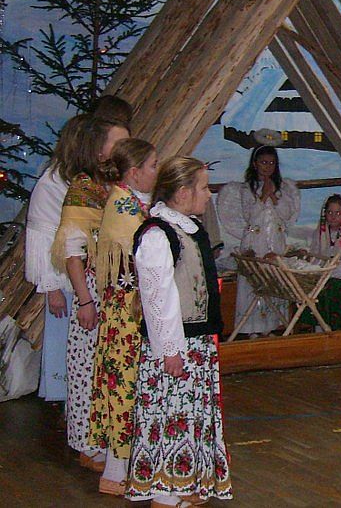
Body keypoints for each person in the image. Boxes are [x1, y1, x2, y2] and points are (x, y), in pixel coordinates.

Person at [126, 156, 231, 505]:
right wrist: (170, 350)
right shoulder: (159, 235)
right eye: (203, 187)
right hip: (176, 346)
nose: (208, 194)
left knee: (189, 417)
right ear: (183, 192)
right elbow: (158, 297)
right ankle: (166, 494)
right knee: (172, 417)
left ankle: (183, 486)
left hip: (193, 345)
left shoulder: (188, 229)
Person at [51, 116, 130, 471]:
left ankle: (110, 440)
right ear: (99, 151)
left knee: (110, 369)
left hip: (116, 291)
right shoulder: (84, 188)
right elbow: (73, 251)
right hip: (94, 293)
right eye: (118, 142)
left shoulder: (115, 186)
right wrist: (84, 300)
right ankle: (88, 445)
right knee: (88, 368)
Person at [89, 138, 157, 496]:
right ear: (134, 172)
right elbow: (140, 257)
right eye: (152, 166)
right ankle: (116, 472)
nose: (156, 172)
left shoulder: (128, 201)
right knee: (124, 385)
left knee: (124, 384)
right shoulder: (125, 209)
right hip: (127, 314)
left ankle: (120, 468)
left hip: (126, 311)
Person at [25, 114, 88, 403]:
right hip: (63, 280)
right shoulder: (51, 183)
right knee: (62, 344)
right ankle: (65, 398)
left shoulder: (80, 180)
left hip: (83, 276)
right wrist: (51, 288)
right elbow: (41, 238)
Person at [217, 141, 300, 336]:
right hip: (255, 241)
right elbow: (250, 215)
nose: (267, 167)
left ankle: (272, 326)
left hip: (275, 242)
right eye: (263, 162)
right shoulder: (247, 189)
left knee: (274, 281)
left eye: (271, 163)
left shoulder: (283, 188)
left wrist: (275, 197)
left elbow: (287, 213)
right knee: (253, 282)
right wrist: (263, 197)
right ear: (255, 164)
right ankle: (251, 328)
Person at [299, 194, 341, 330]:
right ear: (325, 213)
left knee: (328, 290)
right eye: (330, 212)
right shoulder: (321, 231)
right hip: (324, 275)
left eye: (338, 213)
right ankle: (318, 327)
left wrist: (327, 272)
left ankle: (330, 327)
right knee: (309, 288)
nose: (333, 217)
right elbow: (316, 255)